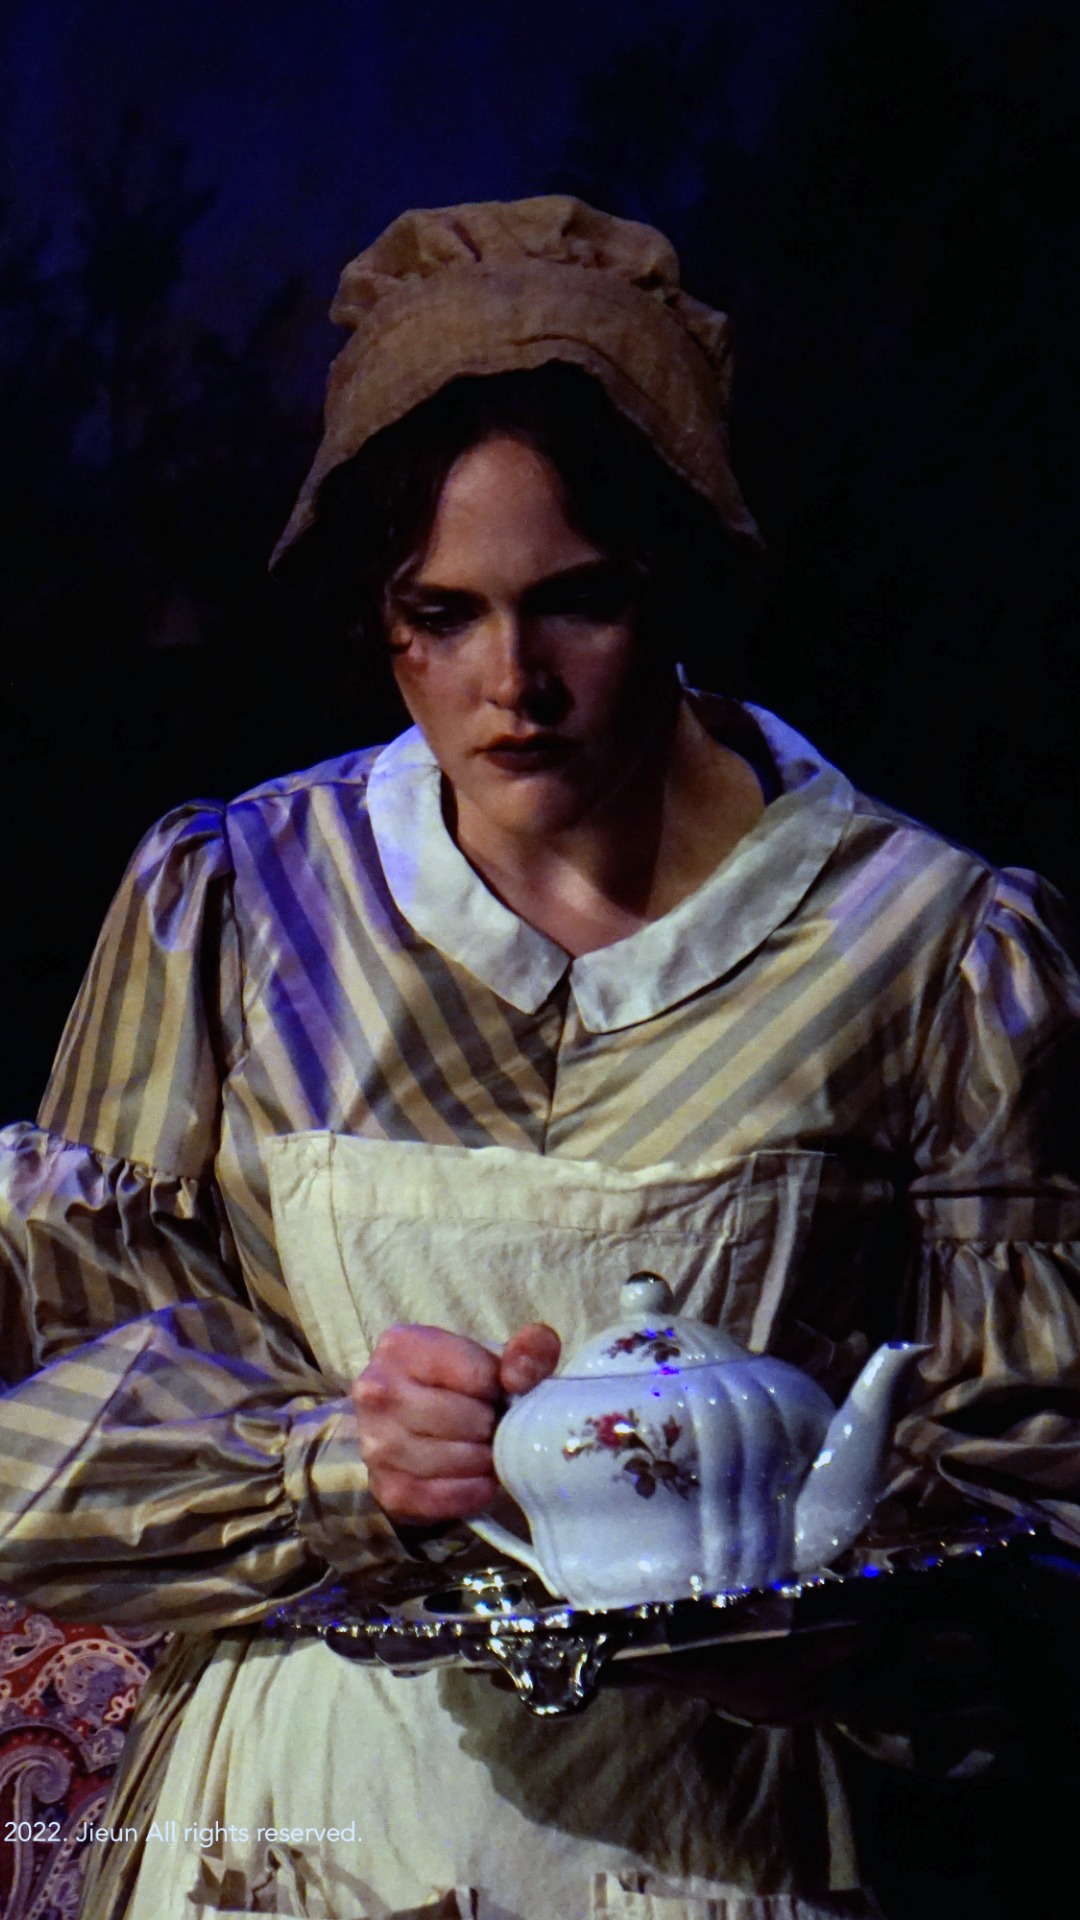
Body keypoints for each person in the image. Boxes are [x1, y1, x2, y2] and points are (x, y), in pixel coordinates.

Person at [1, 194, 1079, 1920]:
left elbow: (1035, 1491)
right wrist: (334, 1464)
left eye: (579, 603)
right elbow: (42, 1415)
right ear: (378, 613)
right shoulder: (241, 903)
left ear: (679, 581)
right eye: (442, 614)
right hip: (304, 1823)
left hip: (738, 1834)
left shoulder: (928, 944)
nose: (514, 683)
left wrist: (850, 1644)